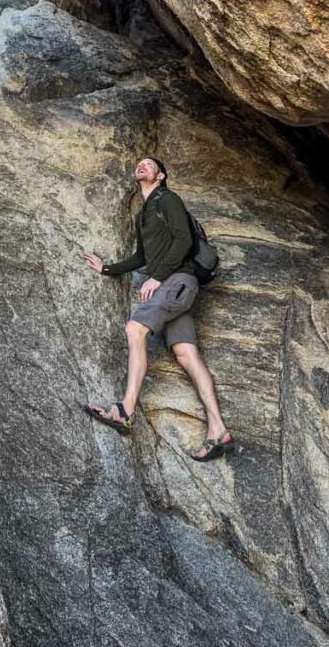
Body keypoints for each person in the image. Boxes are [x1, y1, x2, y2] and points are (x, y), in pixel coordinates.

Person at [82, 157, 234, 461]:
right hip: (177, 286)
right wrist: (108, 268)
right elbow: (141, 256)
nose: (142, 166)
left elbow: (184, 240)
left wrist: (157, 277)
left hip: (178, 281)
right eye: (139, 163)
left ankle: (125, 410)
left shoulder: (168, 199)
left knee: (135, 328)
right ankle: (219, 430)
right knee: (186, 354)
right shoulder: (144, 215)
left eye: (149, 164)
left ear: (160, 175)